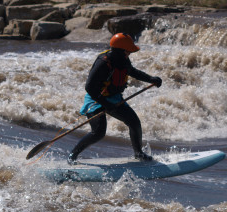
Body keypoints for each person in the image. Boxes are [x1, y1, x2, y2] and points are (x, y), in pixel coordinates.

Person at [67, 33, 162, 165]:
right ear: (120, 51)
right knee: (99, 132)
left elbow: (132, 71)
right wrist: (105, 103)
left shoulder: (123, 60)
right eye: (128, 52)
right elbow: (89, 87)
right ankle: (73, 155)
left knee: (134, 122)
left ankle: (138, 153)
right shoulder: (103, 63)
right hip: (96, 98)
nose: (130, 54)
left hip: (113, 98)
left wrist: (150, 79)